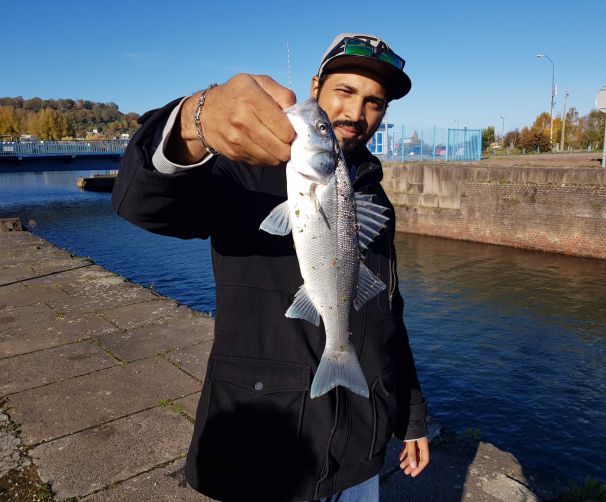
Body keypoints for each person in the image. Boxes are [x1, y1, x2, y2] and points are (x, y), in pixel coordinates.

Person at [112, 33, 429, 502]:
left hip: (361, 453)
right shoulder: (242, 168)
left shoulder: (372, 196)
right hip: (266, 450)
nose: (355, 113)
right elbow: (141, 203)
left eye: (374, 102)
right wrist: (193, 122)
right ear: (315, 87)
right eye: (344, 91)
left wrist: (411, 416)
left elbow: (388, 312)